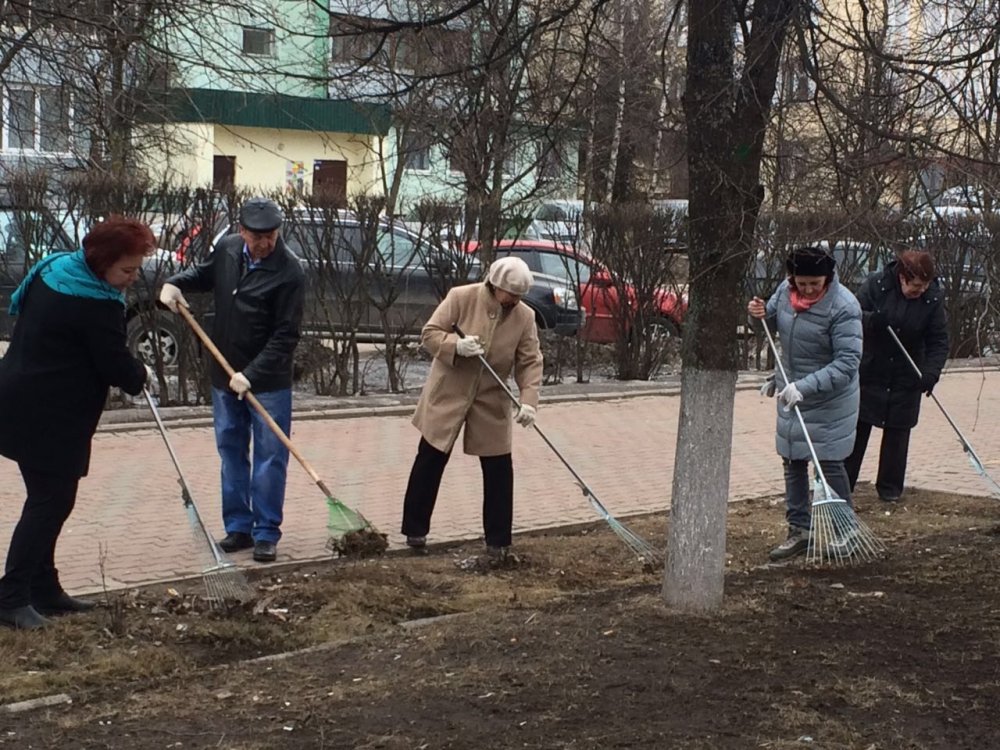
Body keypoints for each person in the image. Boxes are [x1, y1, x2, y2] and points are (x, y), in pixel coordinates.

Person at [0, 217, 157, 630]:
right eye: (126, 269)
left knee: (46, 498)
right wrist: (139, 375)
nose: (131, 278)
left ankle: (43, 588)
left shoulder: (54, 269)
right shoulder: (95, 303)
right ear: (101, 261)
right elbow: (113, 364)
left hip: (18, 395)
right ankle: (11, 596)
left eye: (136, 268)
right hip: (49, 413)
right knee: (50, 503)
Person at [159, 198, 305, 563]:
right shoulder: (227, 250)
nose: (265, 244)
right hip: (223, 376)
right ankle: (239, 527)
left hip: (268, 382)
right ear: (242, 232)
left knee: (271, 457)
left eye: (271, 236)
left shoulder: (289, 271)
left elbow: (287, 334)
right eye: (258, 237)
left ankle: (266, 532)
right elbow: (203, 275)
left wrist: (251, 375)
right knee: (231, 451)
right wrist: (175, 284)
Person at [401, 256, 543, 563]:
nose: (515, 301)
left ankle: (498, 541)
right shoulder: (460, 297)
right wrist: (455, 346)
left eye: (520, 296)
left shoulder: (524, 317)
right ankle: (415, 530)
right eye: (511, 294)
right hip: (449, 393)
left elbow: (530, 361)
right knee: (430, 457)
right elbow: (430, 334)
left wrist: (529, 401)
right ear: (495, 285)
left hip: (490, 400)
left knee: (499, 469)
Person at [748, 246, 863, 562]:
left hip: (830, 398)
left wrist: (806, 386)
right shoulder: (785, 293)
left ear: (828, 278)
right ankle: (800, 530)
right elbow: (770, 324)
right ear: (792, 277)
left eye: (816, 283)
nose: (809, 289)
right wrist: (758, 314)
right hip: (791, 391)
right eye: (803, 283)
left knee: (827, 462)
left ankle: (846, 531)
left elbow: (847, 363)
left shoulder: (843, 307)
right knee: (792, 458)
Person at [844, 250, 949, 502]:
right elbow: (849, 317)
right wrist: (871, 321)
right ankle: (841, 485)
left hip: (907, 372)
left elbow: (938, 341)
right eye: (915, 286)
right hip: (871, 369)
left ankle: (890, 490)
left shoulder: (932, 298)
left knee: (898, 433)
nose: (920, 291)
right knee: (857, 430)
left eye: (924, 287)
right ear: (902, 277)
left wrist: (931, 373)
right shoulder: (876, 286)